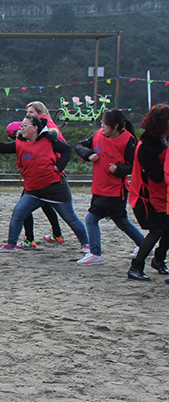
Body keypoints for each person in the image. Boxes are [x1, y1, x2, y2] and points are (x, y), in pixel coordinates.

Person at [0, 115, 90, 254]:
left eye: (25, 125)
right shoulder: (20, 142)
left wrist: (59, 166)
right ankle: (11, 244)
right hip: (33, 189)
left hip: (55, 188)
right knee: (18, 213)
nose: (21, 128)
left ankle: (86, 244)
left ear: (35, 128)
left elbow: (67, 149)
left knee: (70, 218)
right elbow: (2, 147)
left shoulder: (49, 140)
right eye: (21, 126)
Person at [74, 109, 144, 266]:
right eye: (102, 123)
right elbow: (78, 145)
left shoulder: (127, 140)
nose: (102, 127)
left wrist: (119, 169)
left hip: (115, 190)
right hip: (99, 187)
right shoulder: (98, 134)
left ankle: (95, 254)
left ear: (116, 126)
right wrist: (88, 154)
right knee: (121, 221)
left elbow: (136, 165)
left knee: (91, 218)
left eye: (105, 124)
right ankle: (144, 245)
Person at [126, 103, 169, 281]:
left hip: (161, 195)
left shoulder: (163, 140)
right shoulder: (147, 146)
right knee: (157, 230)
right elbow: (156, 175)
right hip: (145, 196)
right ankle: (136, 267)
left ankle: (158, 260)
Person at [18, 101, 65, 249]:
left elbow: (61, 147)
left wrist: (58, 166)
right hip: (47, 172)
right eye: (27, 112)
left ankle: (29, 239)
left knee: (23, 207)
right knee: (46, 204)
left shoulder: (44, 126)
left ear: (39, 112)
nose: (28, 115)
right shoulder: (48, 124)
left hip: (44, 173)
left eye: (31, 112)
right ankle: (57, 234)